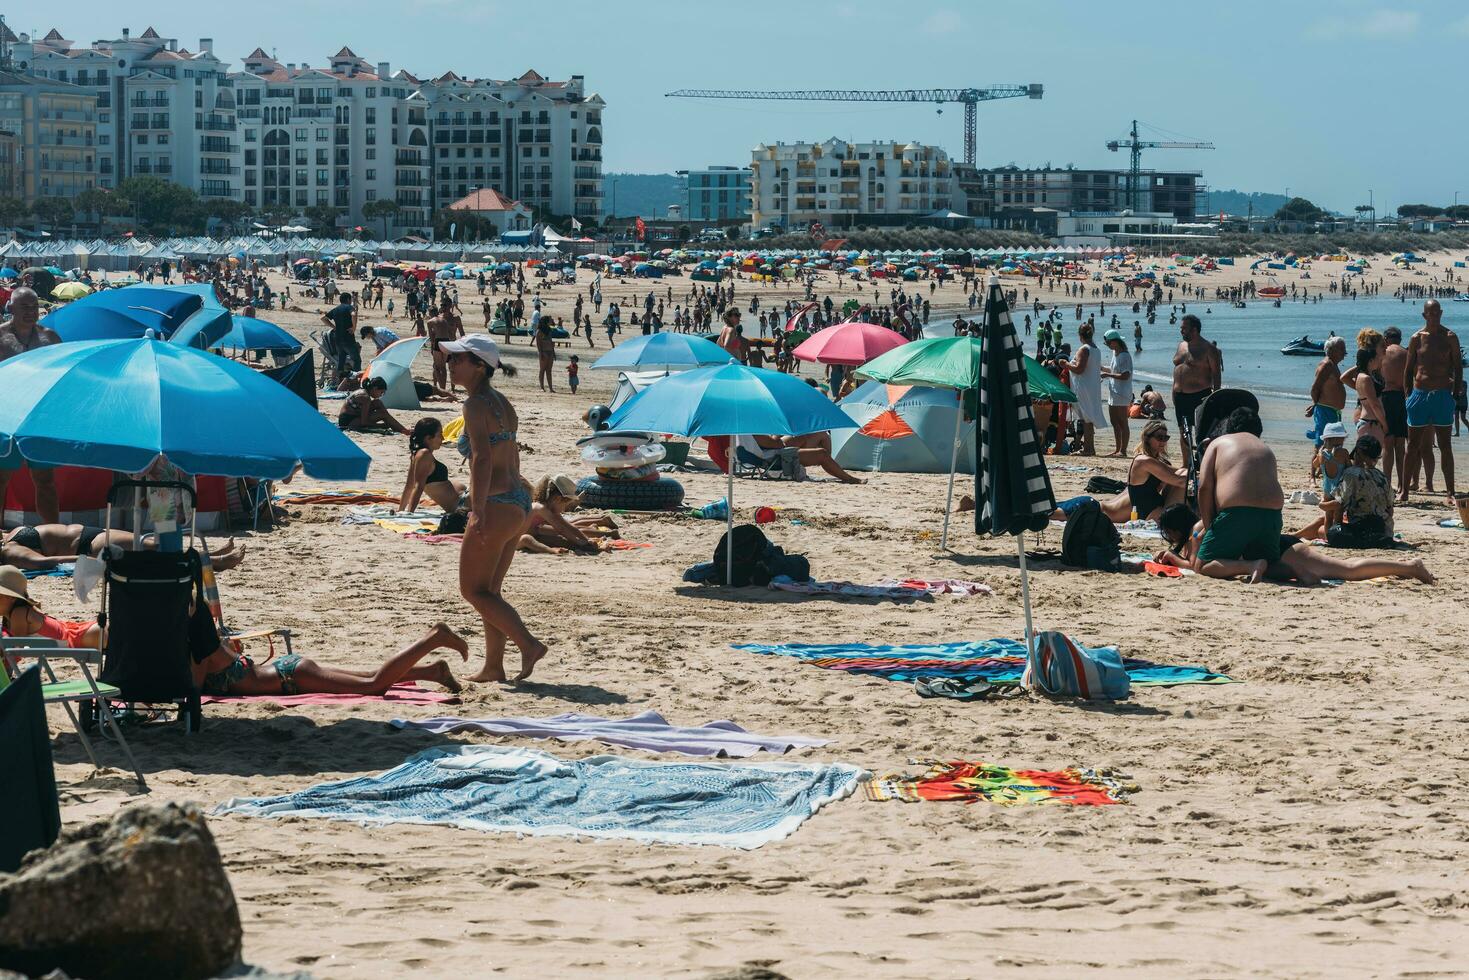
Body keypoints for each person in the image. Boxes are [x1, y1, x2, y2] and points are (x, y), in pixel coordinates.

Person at [441, 334, 546, 683]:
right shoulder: (502, 401)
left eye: (458, 359)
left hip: (496, 502)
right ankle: (493, 667)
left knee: (472, 590)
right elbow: (509, 454)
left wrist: (477, 507)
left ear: (479, 365)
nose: (451, 363)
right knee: (490, 593)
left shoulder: (474, 406)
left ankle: (529, 645)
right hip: (517, 500)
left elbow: (483, 460)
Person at [1152, 504, 1431, 585]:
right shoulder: (1202, 526)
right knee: (1337, 570)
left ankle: (1409, 567)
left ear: (1176, 529)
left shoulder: (1197, 535)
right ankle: (1306, 577)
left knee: (1346, 569)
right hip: (1275, 548)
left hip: (1281, 548)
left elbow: (1196, 566)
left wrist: (1170, 556)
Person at [1194, 407, 1284, 583]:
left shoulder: (1218, 443)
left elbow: (1204, 488)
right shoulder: (1266, 448)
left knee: (1202, 565)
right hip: (1272, 514)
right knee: (1272, 564)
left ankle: (1251, 566)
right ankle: (1299, 571)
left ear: (1229, 427)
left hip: (1237, 512)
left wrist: (1209, 525)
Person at [0, 287, 61, 524]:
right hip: (6, 416)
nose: (30, 312)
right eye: (24, 306)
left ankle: (54, 534)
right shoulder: (1, 338)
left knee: (45, 479)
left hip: (40, 416)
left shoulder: (50, 338)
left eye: (34, 306)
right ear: (11, 308)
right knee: (1, 478)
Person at [1401, 299, 1461, 505]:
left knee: (1445, 445)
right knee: (1413, 445)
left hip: (1442, 396)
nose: (1434, 316)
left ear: (1441, 313)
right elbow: (1408, 370)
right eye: (1431, 313)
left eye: (1437, 312)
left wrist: (1454, 395)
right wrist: (1408, 395)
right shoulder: (1416, 338)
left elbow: (1458, 368)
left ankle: (1450, 492)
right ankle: (1404, 490)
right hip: (1419, 395)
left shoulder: (1450, 337)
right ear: (1424, 315)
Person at [3, 523, 246, 571]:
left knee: (155, 545)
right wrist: (86, 560)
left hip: (90, 537)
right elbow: (44, 562)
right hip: (89, 545)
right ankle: (215, 562)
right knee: (155, 548)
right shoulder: (10, 551)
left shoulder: (7, 542)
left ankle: (211, 555)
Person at [1330, 434, 1396, 549]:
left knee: (1333, 532)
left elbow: (1340, 505)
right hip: (1382, 529)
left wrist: (1335, 524)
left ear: (1358, 452)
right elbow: (1390, 511)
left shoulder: (1351, 474)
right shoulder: (1382, 476)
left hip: (1360, 527)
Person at [1171, 313, 1222, 456]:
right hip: (1180, 396)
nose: (1181, 331)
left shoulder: (1209, 349)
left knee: (1201, 433)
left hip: (1199, 396)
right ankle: (1186, 465)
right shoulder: (1181, 345)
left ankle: (1202, 463)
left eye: (1184, 328)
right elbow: (1177, 369)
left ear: (1194, 330)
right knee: (1183, 431)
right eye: (1181, 328)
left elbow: (1217, 374)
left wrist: (1215, 397)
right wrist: (1174, 391)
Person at [1124, 420, 1187, 522]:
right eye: (1159, 437)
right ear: (1147, 438)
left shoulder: (1159, 462)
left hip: (1157, 508)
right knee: (1186, 480)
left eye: (1165, 438)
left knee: (1185, 473)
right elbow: (1179, 481)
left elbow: (1177, 471)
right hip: (1149, 514)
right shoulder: (1143, 461)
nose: (1163, 441)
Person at [400, 418, 464, 514]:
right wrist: (409, 513)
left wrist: (401, 510)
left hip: (462, 501)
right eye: (440, 435)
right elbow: (418, 486)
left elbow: (409, 485)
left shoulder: (417, 455)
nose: (442, 438)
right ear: (428, 438)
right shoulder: (424, 454)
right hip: (461, 504)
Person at [750, 432, 864, 484]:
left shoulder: (742, 429)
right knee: (822, 454)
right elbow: (776, 443)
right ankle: (848, 478)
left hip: (772, 453)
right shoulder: (752, 429)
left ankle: (830, 464)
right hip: (777, 457)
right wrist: (779, 432)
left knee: (818, 433)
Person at [1066, 323, 1103, 456]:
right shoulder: (1096, 349)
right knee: (1089, 418)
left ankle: (1088, 449)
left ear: (1080, 335)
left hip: (1084, 387)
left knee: (1087, 418)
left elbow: (1079, 369)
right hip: (1093, 386)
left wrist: (1066, 365)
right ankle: (1089, 447)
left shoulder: (1084, 349)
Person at [1379, 326, 1409, 490]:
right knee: (1400, 445)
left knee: (1387, 445)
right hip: (1401, 398)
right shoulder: (1406, 353)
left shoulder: (1382, 352)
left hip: (1386, 397)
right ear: (1400, 339)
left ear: (1386, 339)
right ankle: (1402, 484)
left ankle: (1387, 482)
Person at [1306, 336, 1347, 446]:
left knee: (1333, 444)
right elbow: (1315, 388)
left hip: (1332, 411)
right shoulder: (1327, 365)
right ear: (1332, 350)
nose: (1345, 352)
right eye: (1342, 349)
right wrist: (1316, 405)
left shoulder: (1333, 365)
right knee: (1322, 445)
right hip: (1326, 411)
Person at [1099, 329, 1134, 458]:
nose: (1108, 346)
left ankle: (1123, 451)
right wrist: (1103, 368)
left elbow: (1125, 375)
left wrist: (1108, 374)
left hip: (1122, 393)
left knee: (1122, 422)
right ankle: (1117, 449)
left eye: (1108, 343)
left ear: (1115, 342)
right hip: (1113, 392)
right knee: (1114, 422)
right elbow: (1114, 370)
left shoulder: (1125, 355)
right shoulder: (1115, 353)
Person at [338, 377, 409, 435]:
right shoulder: (365, 398)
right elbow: (364, 422)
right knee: (383, 414)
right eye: (381, 392)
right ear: (375, 389)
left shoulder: (363, 392)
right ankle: (403, 430)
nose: (381, 395)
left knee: (378, 403)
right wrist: (381, 426)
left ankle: (397, 427)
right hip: (348, 423)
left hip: (352, 417)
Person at [426, 295, 465, 394]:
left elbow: (462, 333)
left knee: (452, 367)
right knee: (438, 366)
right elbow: (433, 334)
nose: (444, 307)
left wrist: (463, 346)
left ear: (450, 305)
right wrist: (432, 346)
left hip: (452, 345)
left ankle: (452, 388)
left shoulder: (456, 318)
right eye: (442, 305)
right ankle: (436, 386)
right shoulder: (438, 318)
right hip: (440, 344)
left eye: (446, 305)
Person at [320, 292, 360, 381]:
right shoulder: (349, 307)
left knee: (341, 361)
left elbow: (323, 318)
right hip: (348, 338)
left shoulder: (336, 309)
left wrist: (334, 327)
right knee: (356, 360)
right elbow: (354, 314)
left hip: (337, 339)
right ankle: (356, 380)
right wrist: (354, 327)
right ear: (348, 300)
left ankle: (339, 380)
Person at [534, 318, 557, 392]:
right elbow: (538, 344)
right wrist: (541, 354)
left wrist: (553, 353)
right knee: (542, 370)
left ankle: (550, 388)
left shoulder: (549, 330)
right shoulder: (539, 332)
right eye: (549, 321)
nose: (550, 323)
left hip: (550, 351)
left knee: (549, 371)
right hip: (543, 352)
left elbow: (550, 341)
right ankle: (542, 387)